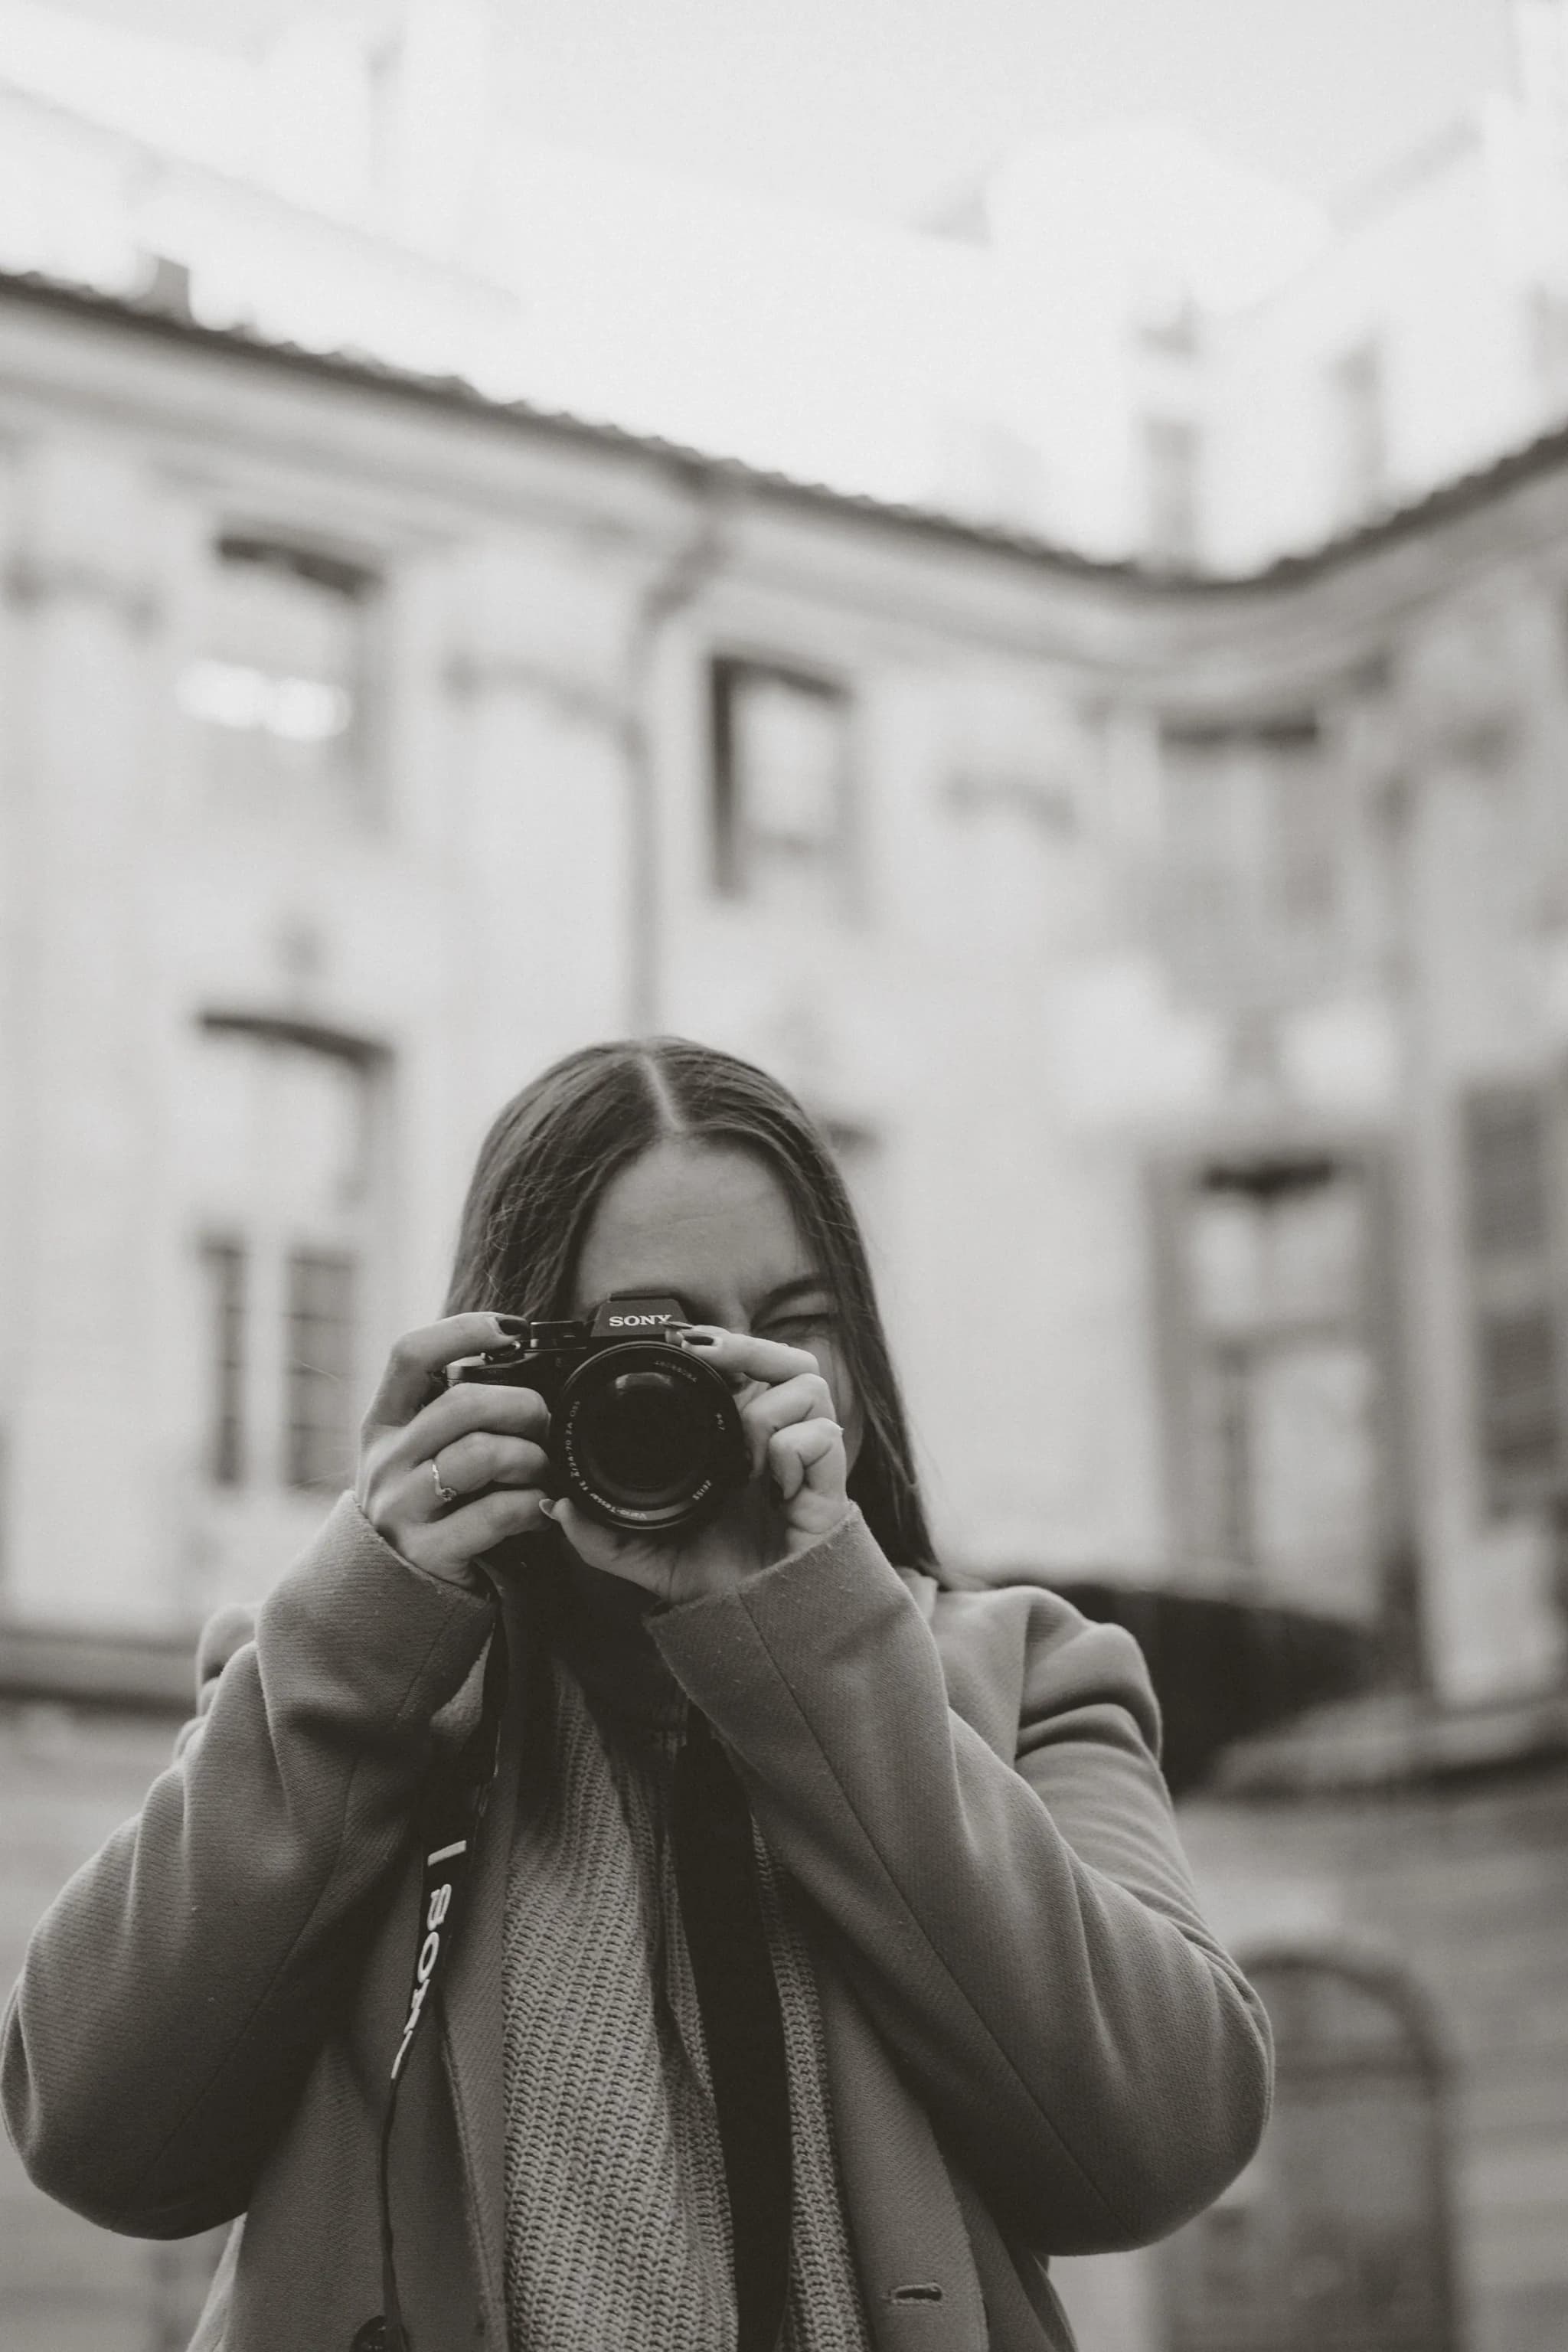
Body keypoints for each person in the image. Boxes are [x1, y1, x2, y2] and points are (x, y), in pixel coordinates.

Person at [2, 1037, 1272, 2352]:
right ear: (517, 1371)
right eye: (656, 1339)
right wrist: (369, 1621)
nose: (729, 1388)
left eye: (793, 1324)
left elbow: (1165, 2143)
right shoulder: (356, 1684)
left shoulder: (1027, 1680)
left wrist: (818, 1644)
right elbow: (96, 2137)